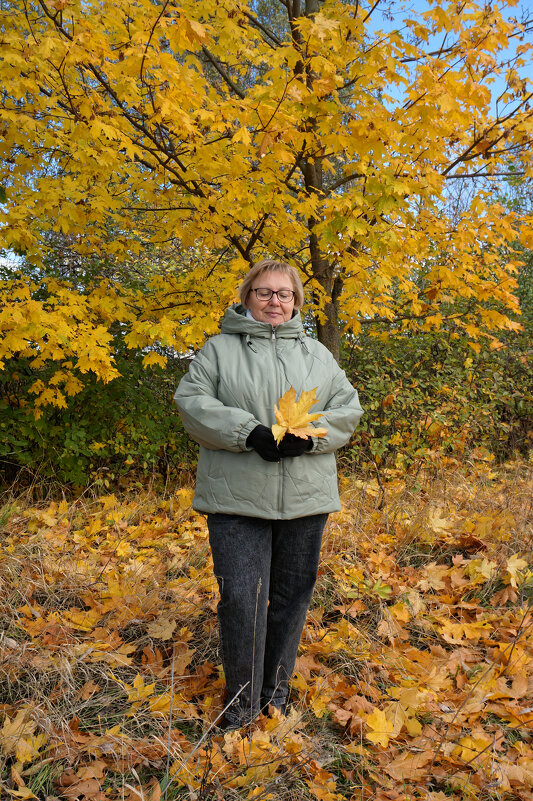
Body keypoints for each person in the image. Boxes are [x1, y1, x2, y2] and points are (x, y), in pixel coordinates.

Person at [173, 259, 363, 729]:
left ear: (296, 301)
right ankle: (240, 705)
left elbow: (347, 407)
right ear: (247, 297)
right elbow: (192, 403)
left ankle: (274, 699)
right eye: (264, 292)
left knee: (292, 598)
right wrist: (249, 432)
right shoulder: (218, 350)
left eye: (284, 294)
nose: (274, 301)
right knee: (242, 598)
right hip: (236, 499)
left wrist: (309, 433)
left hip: (305, 499)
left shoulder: (318, 354)